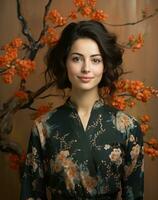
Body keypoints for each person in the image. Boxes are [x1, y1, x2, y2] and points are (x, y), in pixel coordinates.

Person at [20, 20, 144, 200]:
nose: (86, 68)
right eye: (77, 58)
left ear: (105, 65)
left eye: (95, 60)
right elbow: (30, 194)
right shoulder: (44, 127)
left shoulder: (128, 127)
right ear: (65, 62)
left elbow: (135, 195)